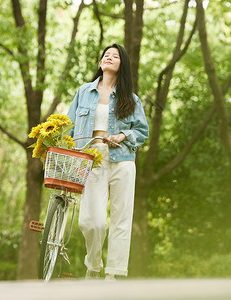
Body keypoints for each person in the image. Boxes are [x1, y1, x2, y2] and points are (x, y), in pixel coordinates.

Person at [67, 44, 149, 280]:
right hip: (92, 159)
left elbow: (142, 131)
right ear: (101, 62)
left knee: (121, 219)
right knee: (92, 221)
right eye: (106, 55)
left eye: (115, 56)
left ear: (122, 64)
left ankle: (114, 273)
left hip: (122, 159)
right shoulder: (84, 92)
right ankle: (93, 265)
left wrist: (123, 135)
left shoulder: (130, 99)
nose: (109, 58)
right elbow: (68, 127)